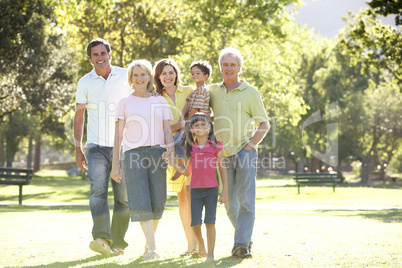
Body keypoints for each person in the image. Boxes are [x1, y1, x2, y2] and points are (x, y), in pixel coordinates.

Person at [209, 47, 270, 259]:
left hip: (245, 153)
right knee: (228, 202)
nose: (228, 68)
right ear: (220, 67)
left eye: (232, 65)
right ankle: (245, 237)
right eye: (225, 64)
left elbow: (264, 124)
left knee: (246, 201)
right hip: (223, 155)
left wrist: (250, 146)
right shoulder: (212, 91)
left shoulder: (251, 92)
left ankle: (241, 245)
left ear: (239, 68)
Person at [110, 59, 174, 260]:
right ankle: (153, 248)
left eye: (143, 74)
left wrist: (170, 151)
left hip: (157, 154)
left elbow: (166, 130)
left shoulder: (160, 101)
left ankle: (148, 244)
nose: (139, 78)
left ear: (149, 77)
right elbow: (118, 136)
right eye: (135, 75)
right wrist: (115, 164)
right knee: (141, 202)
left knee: (158, 202)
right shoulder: (124, 103)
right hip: (133, 156)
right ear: (131, 78)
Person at [74, 38, 131, 256]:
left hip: (124, 146)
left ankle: (118, 242)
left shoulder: (126, 76)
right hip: (96, 146)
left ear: (109, 54)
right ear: (90, 59)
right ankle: (101, 237)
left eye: (102, 53)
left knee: (123, 198)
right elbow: (79, 118)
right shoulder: (85, 82)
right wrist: (78, 148)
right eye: (95, 54)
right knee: (98, 192)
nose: (99, 57)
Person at [164, 113, 228, 262]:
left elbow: (223, 168)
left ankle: (210, 254)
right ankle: (201, 244)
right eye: (196, 125)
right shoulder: (190, 148)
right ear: (191, 130)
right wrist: (173, 164)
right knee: (195, 223)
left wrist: (225, 190)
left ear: (209, 127)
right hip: (195, 191)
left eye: (203, 124)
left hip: (212, 189)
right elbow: (187, 171)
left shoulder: (216, 146)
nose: (200, 127)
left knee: (210, 222)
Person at [153, 58, 198, 256]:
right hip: (166, 151)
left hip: (192, 149)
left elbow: (200, 116)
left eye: (171, 72)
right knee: (157, 197)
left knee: (186, 198)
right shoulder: (154, 97)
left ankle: (192, 245)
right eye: (163, 73)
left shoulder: (188, 91)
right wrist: (180, 125)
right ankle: (150, 244)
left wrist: (187, 124)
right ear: (158, 77)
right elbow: (157, 129)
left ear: (176, 74)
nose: (168, 76)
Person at [171, 60, 212, 181]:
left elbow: (195, 108)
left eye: (197, 73)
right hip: (190, 121)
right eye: (192, 73)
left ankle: (183, 167)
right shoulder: (195, 91)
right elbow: (189, 104)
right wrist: (182, 116)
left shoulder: (203, 90)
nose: (194, 75)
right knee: (182, 142)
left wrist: (187, 124)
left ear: (206, 76)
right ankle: (185, 166)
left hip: (198, 123)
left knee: (177, 140)